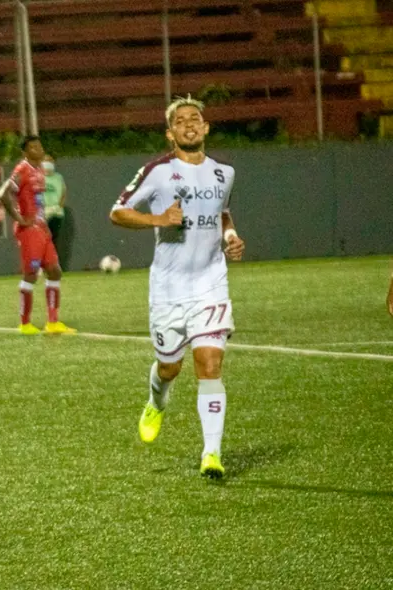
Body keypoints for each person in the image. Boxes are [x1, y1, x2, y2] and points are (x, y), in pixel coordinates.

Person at [109, 96, 245, 479]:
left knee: (210, 364)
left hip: (210, 283)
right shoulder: (157, 171)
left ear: (205, 128)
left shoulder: (224, 173)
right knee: (170, 367)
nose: (189, 124)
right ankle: (157, 400)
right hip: (168, 288)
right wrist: (158, 218)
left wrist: (231, 234)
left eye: (195, 119)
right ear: (170, 133)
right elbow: (117, 212)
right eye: (180, 120)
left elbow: (222, 213)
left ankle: (212, 453)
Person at [0, 137, 75, 335]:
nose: (39, 150)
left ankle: (53, 322)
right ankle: (25, 323)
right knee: (30, 275)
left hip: (41, 228)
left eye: (40, 146)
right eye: (33, 147)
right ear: (25, 153)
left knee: (54, 271)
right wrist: (20, 218)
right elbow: (3, 194)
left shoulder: (39, 170)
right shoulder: (23, 169)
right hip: (29, 231)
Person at [42, 155, 70, 271]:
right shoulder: (38, 177)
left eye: (50, 161)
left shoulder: (58, 177)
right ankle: (41, 267)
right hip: (42, 212)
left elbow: (64, 193)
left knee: (53, 240)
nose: (48, 163)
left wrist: (58, 207)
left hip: (56, 213)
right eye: (46, 161)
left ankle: (53, 266)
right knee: (42, 240)